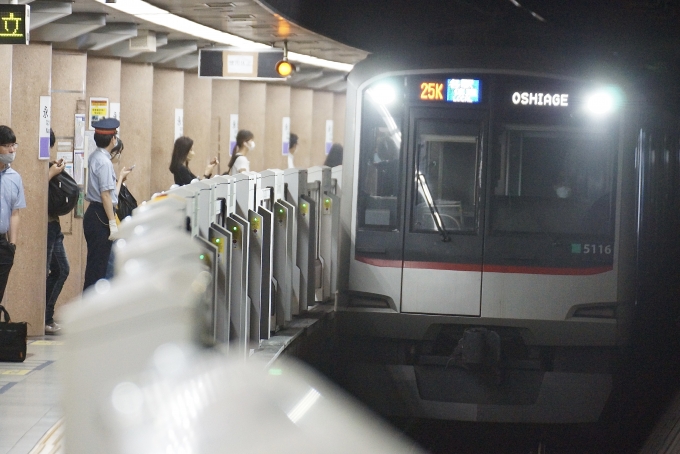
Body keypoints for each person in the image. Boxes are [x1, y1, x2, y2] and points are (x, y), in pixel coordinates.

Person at [83, 118, 132, 291]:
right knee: (98, 269)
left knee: (98, 266)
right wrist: (112, 223)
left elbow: (110, 195)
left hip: (97, 213)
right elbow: (105, 196)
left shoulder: (97, 157)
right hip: (100, 216)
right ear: (113, 140)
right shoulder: (104, 162)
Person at [45, 129, 69, 335]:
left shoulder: (47, 163)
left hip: (54, 223)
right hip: (44, 225)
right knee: (50, 271)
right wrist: (52, 173)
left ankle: (46, 316)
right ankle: (44, 318)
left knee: (62, 269)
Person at [0, 126, 25, 307]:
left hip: (3, 244)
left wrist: (12, 245)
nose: (11, 150)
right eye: (6, 146)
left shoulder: (14, 177)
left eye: (13, 145)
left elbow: (15, 212)